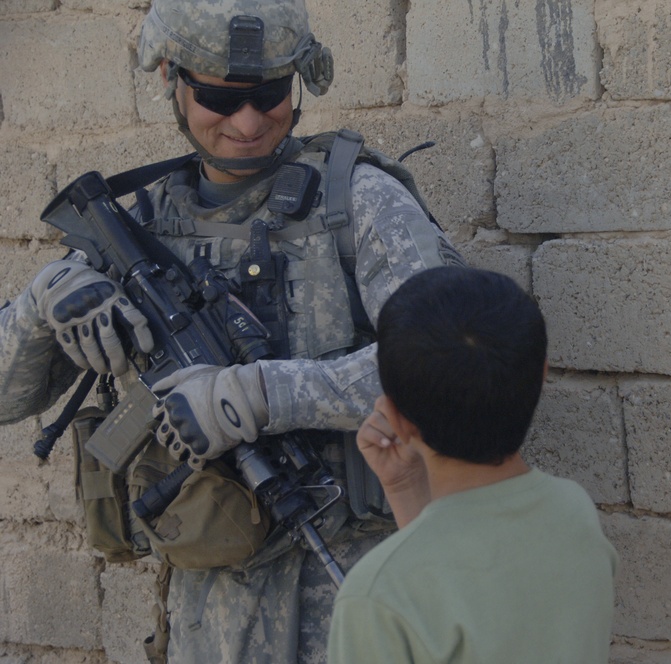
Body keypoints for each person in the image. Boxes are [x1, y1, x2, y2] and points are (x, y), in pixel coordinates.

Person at [0, 0, 464, 662]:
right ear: (170, 78)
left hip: (350, 597)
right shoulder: (139, 233)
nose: (248, 122)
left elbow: (453, 367)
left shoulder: (357, 204)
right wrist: (44, 304)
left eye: (270, 94)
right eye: (219, 98)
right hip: (207, 617)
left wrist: (258, 395)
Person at [327, 266, 619, 664]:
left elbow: (439, 579)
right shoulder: (573, 512)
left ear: (394, 418)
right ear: (543, 375)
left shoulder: (377, 595)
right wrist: (403, 487)